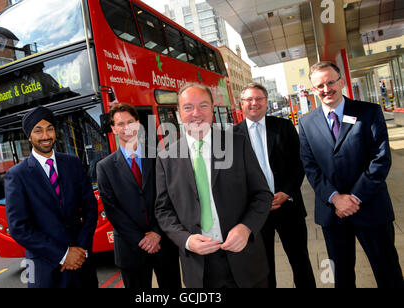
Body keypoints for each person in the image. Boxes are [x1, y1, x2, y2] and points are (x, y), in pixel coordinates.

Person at [155, 83, 273, 288]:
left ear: (212, 108)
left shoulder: (237, 144)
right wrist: (186, 240)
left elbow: (262, 194)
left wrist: (246, 228)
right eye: (188, 107)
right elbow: (163, 210)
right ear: (178, 113)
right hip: (200, 269)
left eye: (203, 106)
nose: (196, 114)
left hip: (245, 258)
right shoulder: (166, 156)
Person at [299, 61, 403, 288]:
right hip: (332, 213)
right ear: (313, 90)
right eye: (319, 86)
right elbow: (310, 166)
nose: (326, 89)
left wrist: (354, 198)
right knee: (342, 277)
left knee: (388, 273)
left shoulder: (369, 112)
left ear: (342, 82)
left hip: (371, 208)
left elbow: (381, 159)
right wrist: (336, 198)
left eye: (330, 82)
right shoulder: (306, 123)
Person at [5, 106, 99, 288]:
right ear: (29, 136)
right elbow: (19, 228)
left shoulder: (73, 164)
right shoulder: (17, 175)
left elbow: (90, 209)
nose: (45, 136)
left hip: (82, 265)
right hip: (45, 271)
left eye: (49, 128)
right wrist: (63, 255)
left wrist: (81, 250)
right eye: (38, 131)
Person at [234, 83, 316, 288]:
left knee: (300, 262)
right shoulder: (232, 136)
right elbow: (233, 178)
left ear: (266, 102)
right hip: (256, 214)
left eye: (259, 98)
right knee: (264, 268)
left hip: (288, 207)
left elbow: (300, 163)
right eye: (249, 100)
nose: (254, 103)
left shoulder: (284, 127)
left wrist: (286, 192)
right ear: (241, 104)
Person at [96, 103, 181, 288]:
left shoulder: (160, 155)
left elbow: (171, 197)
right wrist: (142, 240)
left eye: (130, 122)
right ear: (113, 128)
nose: (126, 128)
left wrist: (157, 233)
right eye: (120, 124)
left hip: (164, 243)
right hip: (130, 249)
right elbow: (112, 210)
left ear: (138, 124)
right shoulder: (104, 167)